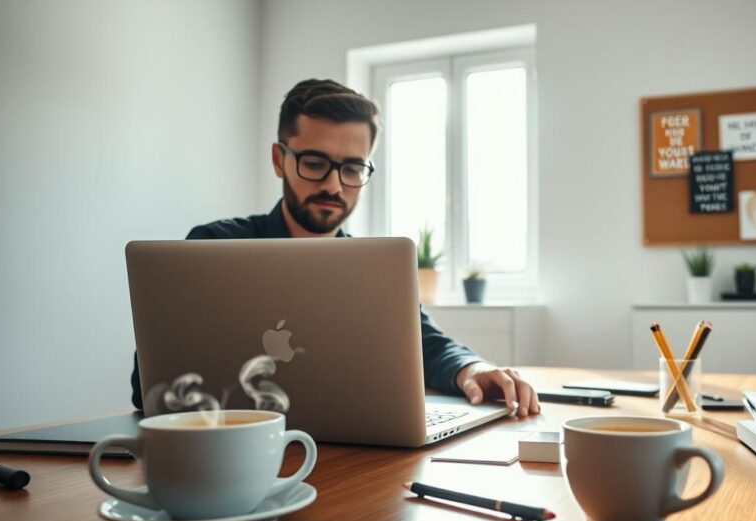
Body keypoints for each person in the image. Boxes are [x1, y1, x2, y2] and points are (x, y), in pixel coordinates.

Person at [130, 79, 540, 417]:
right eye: (314, 162)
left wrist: (473, 368)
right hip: (226, 450)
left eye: (352, 168)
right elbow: (148, 385)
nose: (333, 185)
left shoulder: (374, 270)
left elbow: (428, 343)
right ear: (279, 160)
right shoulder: (213, 248)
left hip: (355, 460)